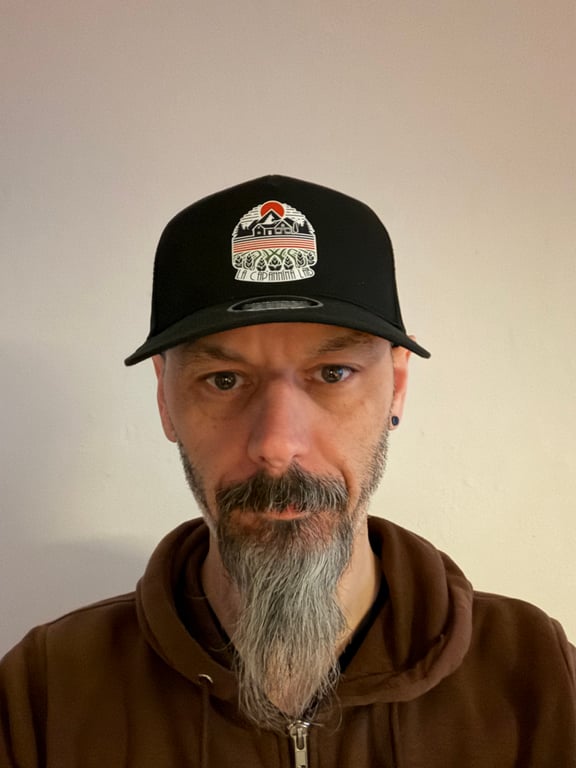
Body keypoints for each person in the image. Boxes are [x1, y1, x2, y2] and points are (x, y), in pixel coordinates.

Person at [0, 175, 574, 767]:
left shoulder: (538, 678)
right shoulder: (44, 695)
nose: (276, 446)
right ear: (165, 400)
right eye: (224, 380)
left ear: (397, 386)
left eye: (333, 374)